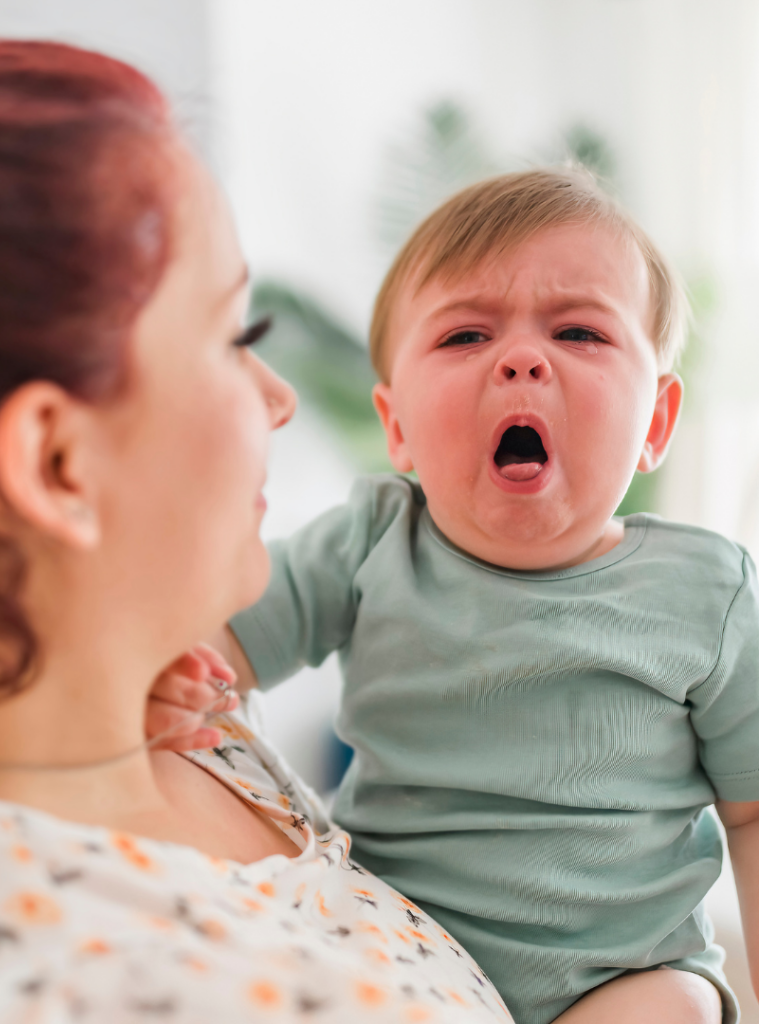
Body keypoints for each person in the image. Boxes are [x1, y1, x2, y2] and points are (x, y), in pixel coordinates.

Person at [0, 40, 514, 1024]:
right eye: (237, 337)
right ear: (56, 463)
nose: (276, 399)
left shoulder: (131, 708)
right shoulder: (36, 983)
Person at [175, 169, 759, 1023]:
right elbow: (222, 644)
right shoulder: (370, 541)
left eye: (580, 332)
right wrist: (176, 673)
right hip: (397, 951)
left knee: (673, 1013)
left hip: (623, 974)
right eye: (464, 337)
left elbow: (751, 814)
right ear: (397, 426)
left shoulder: (710, 594)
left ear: (658, 424)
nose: (522, 359)